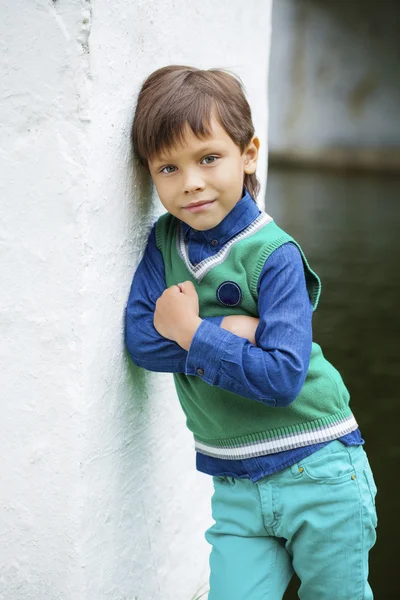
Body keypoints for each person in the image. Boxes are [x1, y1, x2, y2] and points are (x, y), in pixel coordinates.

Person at [124, 65, 378, 600]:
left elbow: (283, 377)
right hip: (235, 482)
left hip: (320, 469)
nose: (190, 182)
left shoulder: (274, 254)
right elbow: (142, 340)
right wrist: (223, 332)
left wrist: (191, 332)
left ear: (248, 153)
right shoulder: (164, 242)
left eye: (208, 158)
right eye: (168, 168)